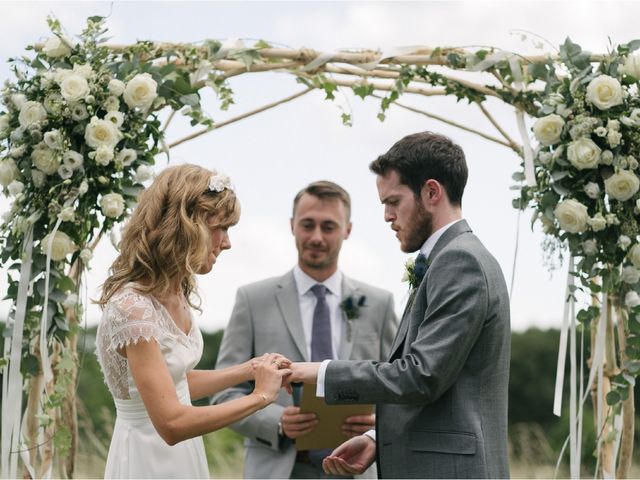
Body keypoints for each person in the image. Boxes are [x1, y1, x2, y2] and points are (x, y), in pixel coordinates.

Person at [289, 132, 511, 479]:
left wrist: (320, 372)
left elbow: (421, 375)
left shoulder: (459, 262)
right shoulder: (446, 258)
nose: (387, 216)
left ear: (431, 192)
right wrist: (377, 438)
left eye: (393, 201)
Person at [95, 164, 292, 479]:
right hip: (148, 457)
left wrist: (249, 370)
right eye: (222, 228)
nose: (227, 243)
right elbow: (171, 424)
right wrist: (261, 397)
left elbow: (175, 381)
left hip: (183, 456)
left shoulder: (175, 293)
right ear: (188, 226)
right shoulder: (132, 308)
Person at [212, 180, 398, 479]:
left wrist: (377, 426)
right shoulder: (252, 300)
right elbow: (223, 392)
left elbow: (399, 388)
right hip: (278, 469)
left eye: (328, 226)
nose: (316, 237)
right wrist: (275, 420)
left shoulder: (379, 304)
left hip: (358, 470)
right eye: (307, 224)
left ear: (347, 230)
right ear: (292, 225)